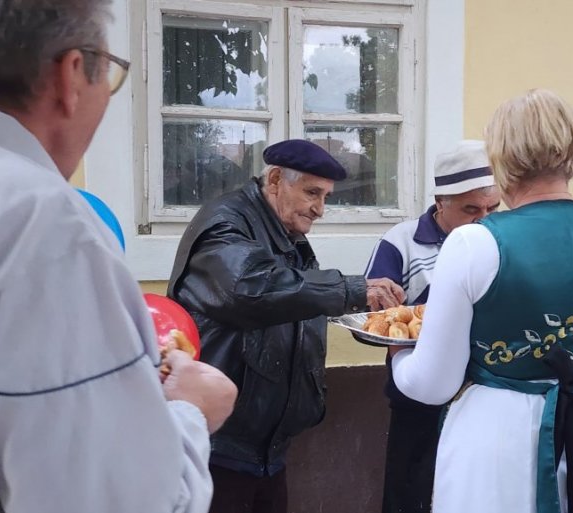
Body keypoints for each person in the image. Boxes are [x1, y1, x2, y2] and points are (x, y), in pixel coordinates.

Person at [0, 1, 238, 512]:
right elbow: (112, 499)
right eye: (114, 74)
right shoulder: (40, 219)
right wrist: (191, 411)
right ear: (72, 75)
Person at [390, 89, 573, 513]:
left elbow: (433, 384)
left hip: (503, 437)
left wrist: (399, 352)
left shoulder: (473, 243)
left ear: (502, 157)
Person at [167, 139, 405, 513]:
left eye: (326, 197)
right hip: (220, 443)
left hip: (267, 445)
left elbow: (295, 300)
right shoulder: (226, 223)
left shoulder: (284, 231)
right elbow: (250, 289)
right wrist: (351, 289)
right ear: (276, 179)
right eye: (312, 193)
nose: (320, 209)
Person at [365, 140, 500, 513]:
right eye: (471, 209)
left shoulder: (501, 240)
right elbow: (378, 318)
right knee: (411, 493)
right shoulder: (401, 242)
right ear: (441, 202)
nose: (485, 219)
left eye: (493, 208)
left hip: (484, 394)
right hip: (417, 399)